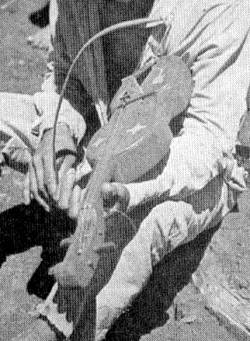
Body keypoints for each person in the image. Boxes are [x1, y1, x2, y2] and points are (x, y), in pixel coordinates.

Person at [1, 0, 249, 340]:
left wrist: (132, 192)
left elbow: (206, 143)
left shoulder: (221, 7)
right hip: (102, 131)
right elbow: (64, 75)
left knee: (138, 231)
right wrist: (56, 135)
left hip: (184, 165)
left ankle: (57, 329)